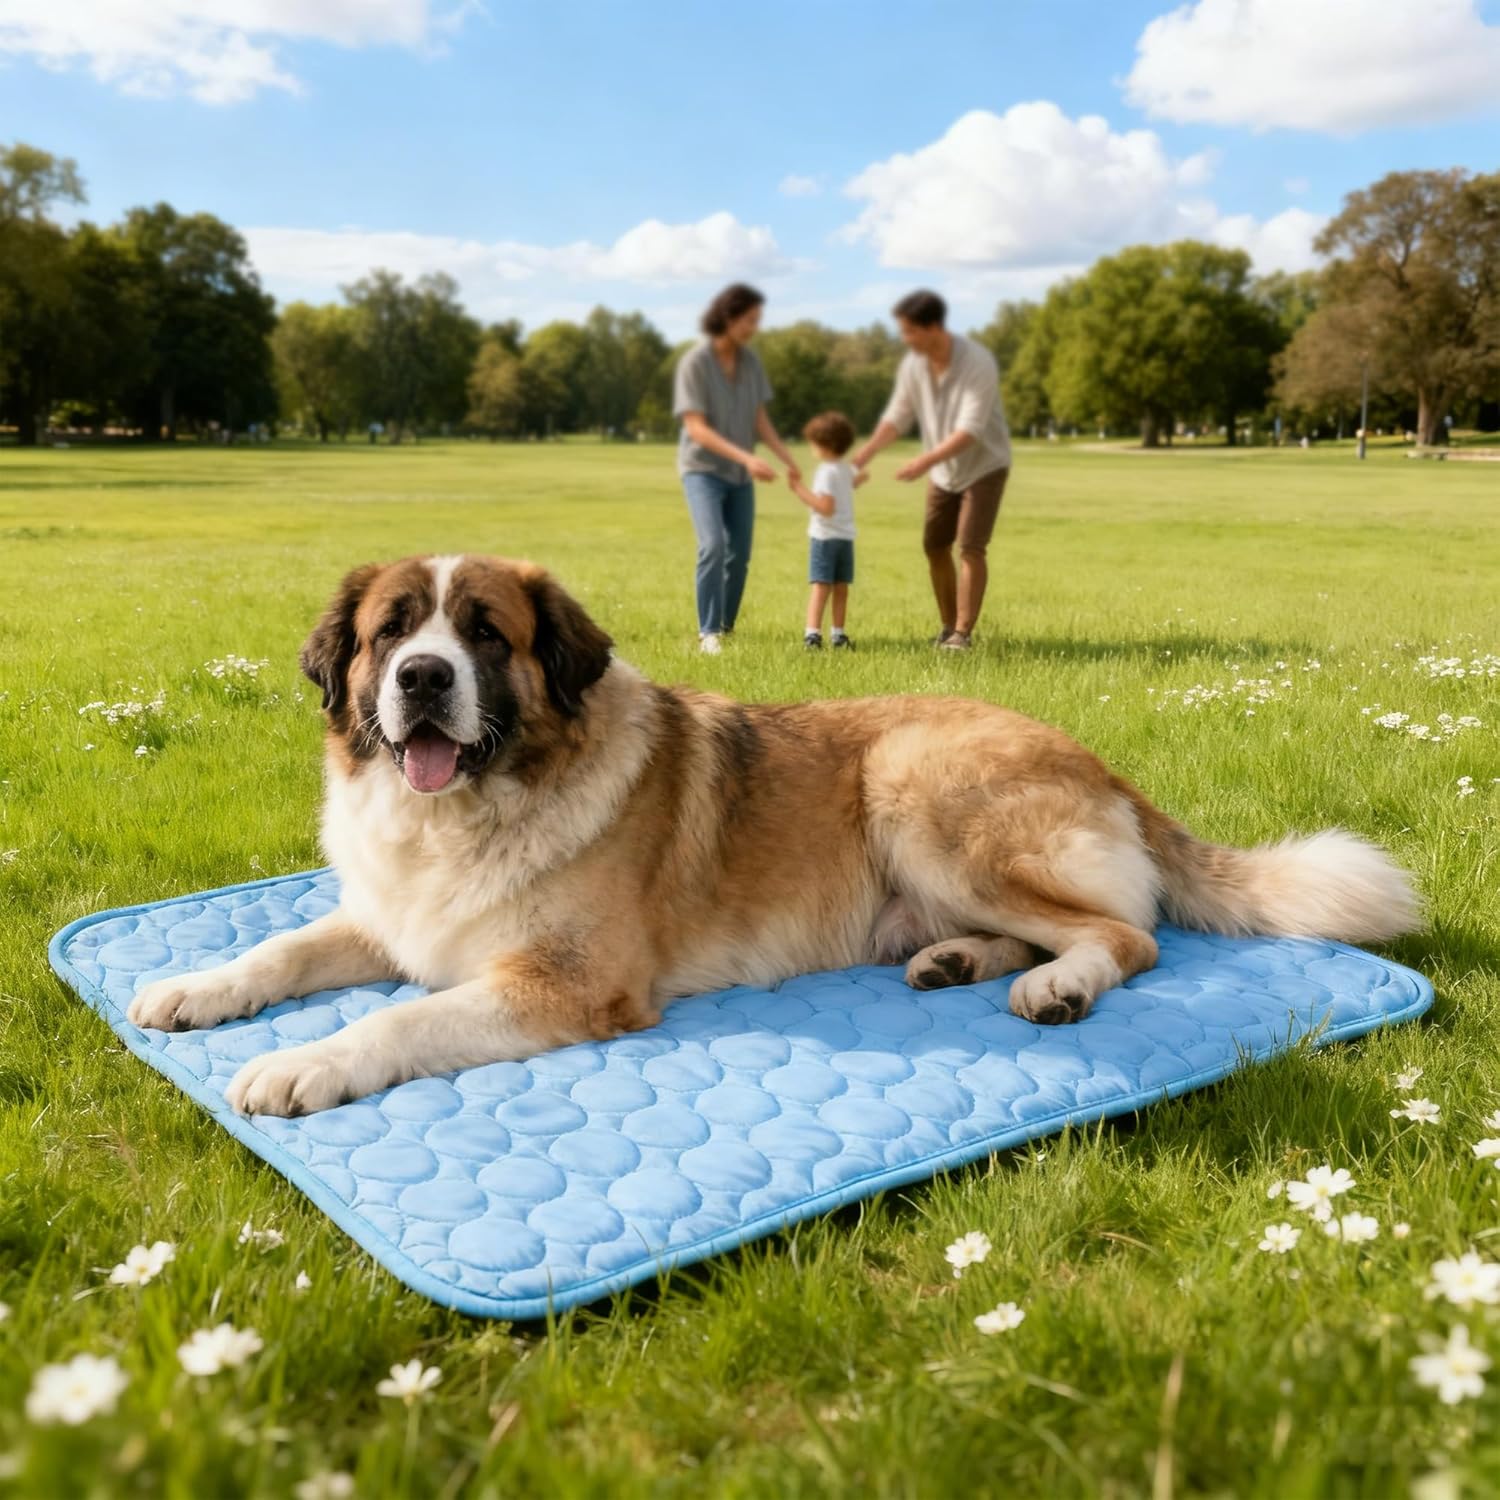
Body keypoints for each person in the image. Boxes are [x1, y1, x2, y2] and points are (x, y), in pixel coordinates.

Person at [851, 290, 1012, 652]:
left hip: (984, 465)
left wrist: (923, 461)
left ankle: (962, 634)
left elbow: (969, 431)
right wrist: (865, 455)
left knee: (971, 546)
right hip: (944, 472)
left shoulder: (977, 362)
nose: (905, 339)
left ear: (934, 327)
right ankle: (947, 625)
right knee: (935, 545)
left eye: (910, 331)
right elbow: (897, 417)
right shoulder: (914, 366)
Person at [673, 283, 799, 655]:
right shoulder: (695, 363)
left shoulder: (751, 363)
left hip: (740, 477)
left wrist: (787, 459)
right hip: (702, 470)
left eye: (757, 320)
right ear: (727, 316)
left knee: (739, 554)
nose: (754, 328)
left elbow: (760, 420)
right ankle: (708, 630)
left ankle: (725, 626)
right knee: (712, 544)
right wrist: (747, 457)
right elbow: (696, 427)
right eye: (749, 320)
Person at [788, 411, 866, 651]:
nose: (812, 447)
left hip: (824, 538)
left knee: (821, 587)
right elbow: (858, 478)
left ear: (826, 445)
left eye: (814, 442)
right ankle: (838, 635)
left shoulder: (825, 472)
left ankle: (812, 635)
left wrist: (797, 489)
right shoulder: (844, 469)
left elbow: (825, 507)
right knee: (841, 588)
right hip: (845, 537)